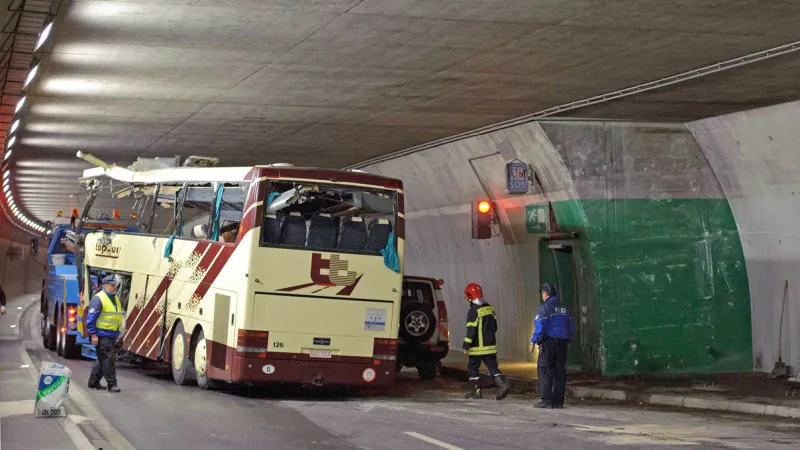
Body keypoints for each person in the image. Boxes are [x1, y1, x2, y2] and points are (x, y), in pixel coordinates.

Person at [530, 283, 576, 409]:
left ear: (545, 293)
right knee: (559, 371)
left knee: (545, 370)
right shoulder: (565, 308)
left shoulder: (545, 308)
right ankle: (558, 401)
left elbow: (541, 326)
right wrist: (568, 340)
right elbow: (571, 328)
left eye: (542, 293)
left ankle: (546, 400)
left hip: (549, 343)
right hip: (562, 343)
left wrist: (533, 341)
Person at [462, 282, 511, 400]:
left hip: (477, 348)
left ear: (469, 296)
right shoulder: (490, 308)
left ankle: (476, 392)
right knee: (492, 367)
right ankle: (502, 384)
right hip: (490, 346)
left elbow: (471, 331)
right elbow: (495, 327)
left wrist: (466, 346)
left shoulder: (473, 311)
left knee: (473, 368)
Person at [86, 275, 123, 392]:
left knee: (104, 359)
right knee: (108, 359)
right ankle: (112, 384)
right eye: (112, 285)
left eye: (115, 285)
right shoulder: (98, 299)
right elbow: (90, 319)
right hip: (102, 335)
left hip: (111, 334)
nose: (114, 287)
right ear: (105, 286)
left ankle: (93, 381)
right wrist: (93, 335)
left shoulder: (114, 298)